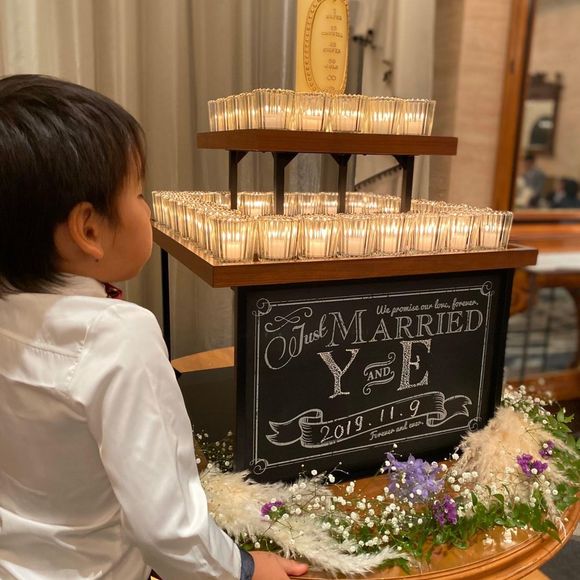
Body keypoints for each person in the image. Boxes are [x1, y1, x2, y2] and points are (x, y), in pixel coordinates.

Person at [0, 75, 309, 580]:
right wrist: (245, 569)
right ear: (89, 229)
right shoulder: (118, 336)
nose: (147, 208)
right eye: (140, 195)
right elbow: (170, 529)